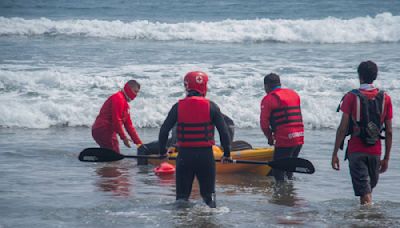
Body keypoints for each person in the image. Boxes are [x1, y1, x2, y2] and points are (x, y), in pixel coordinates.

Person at [158, 71, 231, 208]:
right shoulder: (212, 106)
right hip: (205, 157)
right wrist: (227, 153)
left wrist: (162, 151)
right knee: (209, 199)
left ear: (187, 86)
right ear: (203, 87)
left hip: (185, 156)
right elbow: (224, 132)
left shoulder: (178, 106)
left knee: (181, 199)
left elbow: (164, 131)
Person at [331, 61, 392, 205]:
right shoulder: (386, 98)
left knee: (365, 193)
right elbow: (389, 131)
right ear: (375, 76)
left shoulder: (351, 97)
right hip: (375, 151)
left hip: (356, 151)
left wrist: (335, 153)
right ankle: (367, 219)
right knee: (367, 190)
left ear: (360, 76)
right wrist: (387, 158)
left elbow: (342, 128)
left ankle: (368, 221)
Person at [260, 73, 304, 182]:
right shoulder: (294, 94)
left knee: (278, 170)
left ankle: (282, 196)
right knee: (289, 169)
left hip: (285, 138)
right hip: (299, 136)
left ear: (266, 86)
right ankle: (290, 193)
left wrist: (270, 138)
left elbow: (264, 124)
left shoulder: (269, 98)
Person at [92, 80, 146, 154]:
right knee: (114, 153)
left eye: (137, 93)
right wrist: (124, 138)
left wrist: (139, 144)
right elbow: (117, 121)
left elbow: (129, 126)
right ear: (128, 88)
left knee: (111, 152)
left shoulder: (125, 105)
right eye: (135, 91)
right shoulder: (118, 98)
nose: (136, 95)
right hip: (103, 129)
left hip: (107, 130)